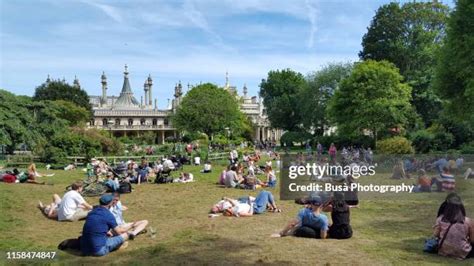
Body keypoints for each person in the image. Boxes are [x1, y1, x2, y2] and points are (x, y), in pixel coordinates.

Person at [433, 193, 473, 260]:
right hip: (463, 252)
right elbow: (472, 240)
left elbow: (435, 235)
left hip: (443, 251)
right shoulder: (468, 221)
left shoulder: (440, 219)